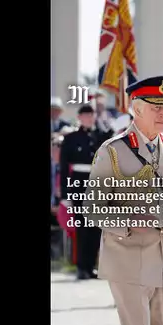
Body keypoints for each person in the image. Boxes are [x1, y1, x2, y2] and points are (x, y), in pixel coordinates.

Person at [84, 75, 163, 325]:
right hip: (128, 258)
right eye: (156, 107)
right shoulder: (112, 151)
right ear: (137, 109)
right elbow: (92, 207)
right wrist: (127, 221)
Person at [59, 104, 113, 280]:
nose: (89, 118)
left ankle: (90, 265)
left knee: (96, 227)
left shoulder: (100, 135)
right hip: (79, 183)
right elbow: (65, 167)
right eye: (86, 115)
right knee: (82, 226)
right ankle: (81, 266)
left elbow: (111, 134)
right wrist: (66, 193)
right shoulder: (71, 138)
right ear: (80, 117)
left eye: (91, 115)